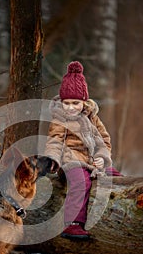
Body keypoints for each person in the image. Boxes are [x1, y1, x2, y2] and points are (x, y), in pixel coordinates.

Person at [45, 61, 122, 241]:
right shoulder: (60, 119)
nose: (71, 107)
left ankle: (119, 216)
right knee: (81, 182)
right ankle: (72, 224)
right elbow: (54, 141)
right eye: (67, 103)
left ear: (84, 102)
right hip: (70, 161)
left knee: (116, 176)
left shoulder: (92, 118)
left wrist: (102, 158)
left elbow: (104, 140)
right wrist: (52, 160)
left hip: (91, 162)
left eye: (75, 103)